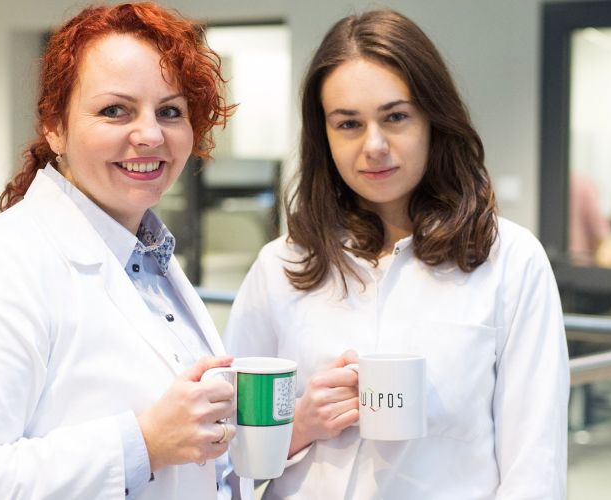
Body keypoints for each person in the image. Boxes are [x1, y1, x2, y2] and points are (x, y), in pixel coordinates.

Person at [224, 9, 569, 499]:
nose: (374, 145)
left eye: (396, 117)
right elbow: (224, 460)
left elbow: (534, 466)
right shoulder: (283, 265)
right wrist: (300, 424)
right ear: (324, 135)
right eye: (348, 123)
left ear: (433, 120)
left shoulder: (510, 261)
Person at [0, 4, 237, 499]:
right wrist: (143, 444)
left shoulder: (150, 264)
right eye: (115, 110)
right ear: (55, 126)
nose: (150, 134)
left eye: (170, 111)